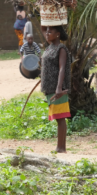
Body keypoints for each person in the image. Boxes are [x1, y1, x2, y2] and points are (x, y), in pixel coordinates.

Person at [40, 25, 71, 153]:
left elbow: (62, 68)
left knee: (60, 118)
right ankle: (59, 147)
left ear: (58, 33)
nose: (47, 33)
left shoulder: (61, 48)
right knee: (58, 117)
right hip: (50, 88)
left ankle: (61, 148)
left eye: (50, 31)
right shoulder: (49, 48)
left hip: (58, 89)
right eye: (46, 31)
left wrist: (59, 87)